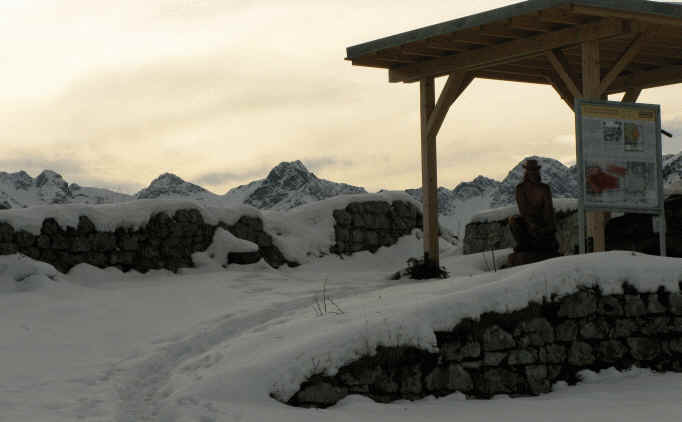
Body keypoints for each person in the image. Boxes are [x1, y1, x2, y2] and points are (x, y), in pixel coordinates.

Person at [508, 159, 559, 254]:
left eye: (535, 170)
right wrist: (531, 223)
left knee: (547, 238)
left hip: (542, 222)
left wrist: (547, 226)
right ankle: (525, 245)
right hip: (528, 223)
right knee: (513, 221)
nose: (533, 173)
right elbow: (523, 210)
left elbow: (549, 209)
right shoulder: (520, 188)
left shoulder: (544, 189)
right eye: (531, 171)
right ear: (527, 172)